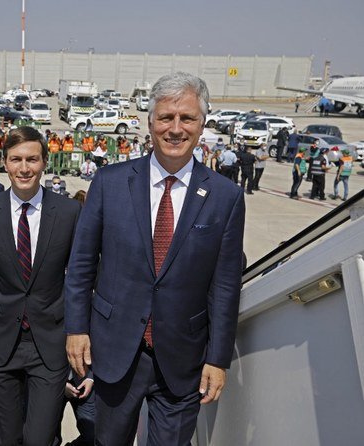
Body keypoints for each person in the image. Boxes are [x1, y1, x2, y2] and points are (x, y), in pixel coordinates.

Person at [64, 72, 245, 446]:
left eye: (187, 118)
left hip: (183, 359)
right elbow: (81, 266)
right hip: (114, 353)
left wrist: (218, 358)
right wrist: (76, 329)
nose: (175, 128)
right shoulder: (109, 183)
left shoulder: (226, 197)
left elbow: (225, 285)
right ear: (149, 123)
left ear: (202, 125)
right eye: (166, 117)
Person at [0, 126, 81, 446]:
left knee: (40, 436)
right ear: (4, 163)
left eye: (32, 159)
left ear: (45, 162)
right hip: (1, 339)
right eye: (16, 159)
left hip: (51, 339)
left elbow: (82, 279)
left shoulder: (70, 212)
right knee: (6, 436)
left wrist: (80, 332)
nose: (24, 168)